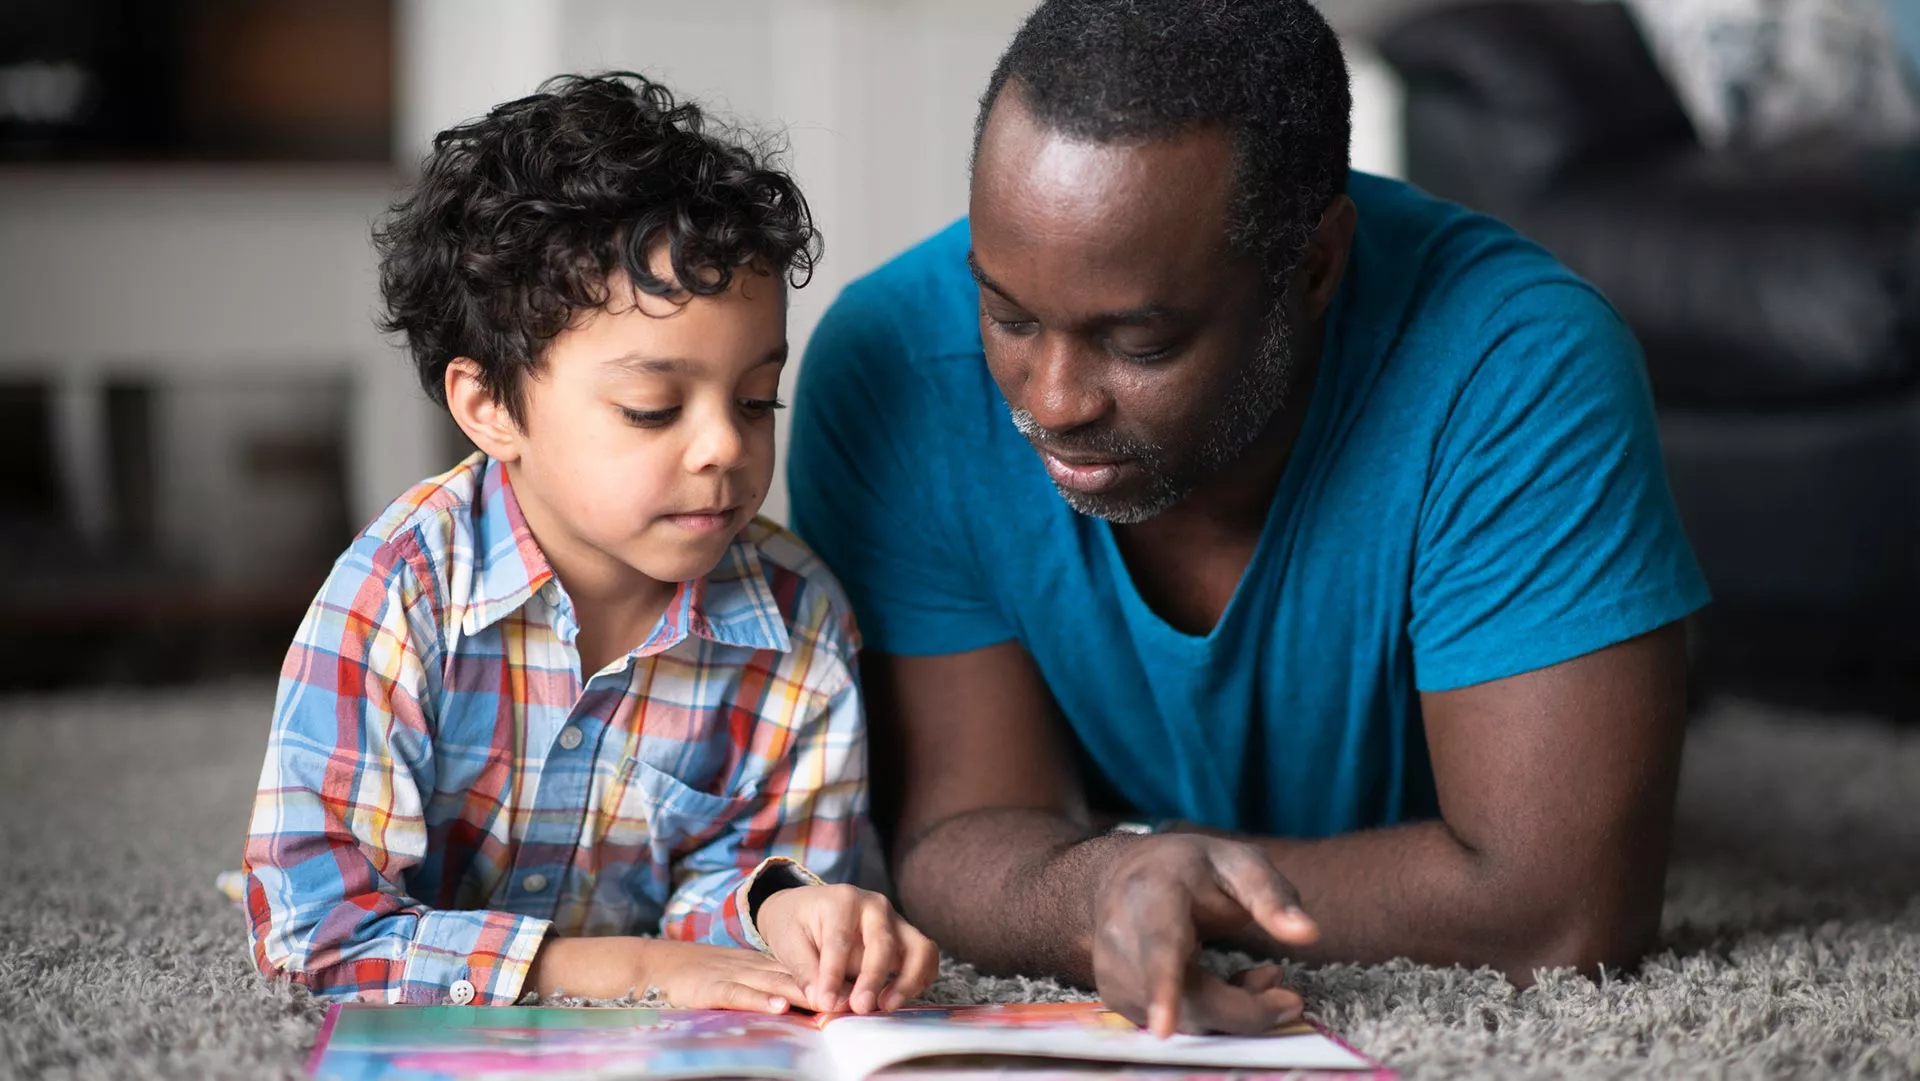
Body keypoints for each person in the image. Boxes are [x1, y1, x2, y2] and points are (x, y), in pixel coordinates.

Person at [787, 0, 1709, 1039]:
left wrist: (1143, 872)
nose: (1051, 401)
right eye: (1007, 315)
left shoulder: (1519, 364)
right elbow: (955, 834)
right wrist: (1105, 886)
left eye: (1140, 342)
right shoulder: (894, 369)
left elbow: (1558, 911)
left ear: (1313, 267)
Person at [243, 73, 936, 1015]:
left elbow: (737, 898)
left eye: (755, 399)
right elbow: (314, 931)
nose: (726, 447)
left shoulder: (799, 625)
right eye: (652, 407)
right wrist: (630, 967)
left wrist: (782, 911)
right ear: (490, 406)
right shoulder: (398, 594)